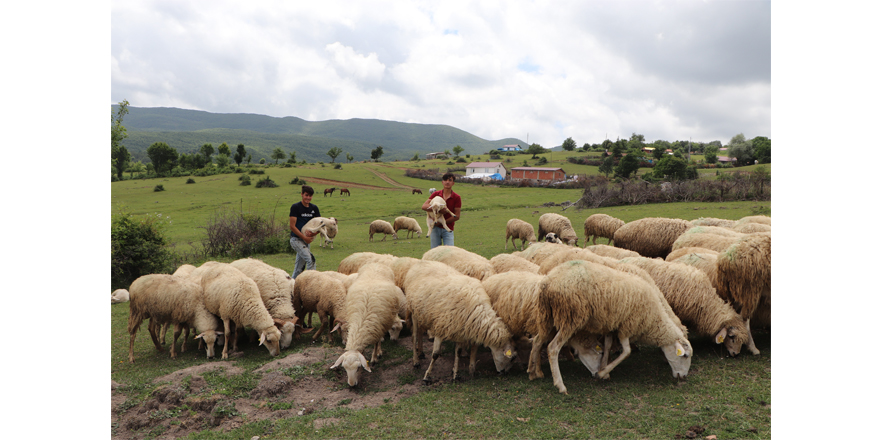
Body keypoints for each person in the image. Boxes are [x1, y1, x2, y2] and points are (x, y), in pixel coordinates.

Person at [421, 173, 461, 248]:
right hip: (435, 228)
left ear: (453, 183)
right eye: (445, 180)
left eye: (450, 180)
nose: (447, 182)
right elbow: (424, 206)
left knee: (450, 252)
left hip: (448, 228)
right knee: (435, 252)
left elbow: (457, 216)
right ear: (442, 182)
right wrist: (438, 210)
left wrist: (441, 223)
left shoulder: (456, 197)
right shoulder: (436, 194)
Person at [289, 185, 321, 279]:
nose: (308, 198)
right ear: (302, 194)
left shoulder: (314, 208)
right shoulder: (295, 207)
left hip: (306, 241)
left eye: (310, 196)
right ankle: (310, 283)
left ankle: (292, 287)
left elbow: (319, 225)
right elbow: (292, 226)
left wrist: (313, 234)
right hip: (296, 240)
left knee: (299, 269)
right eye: (306, 195)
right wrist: (305, 238)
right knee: (311, 260)